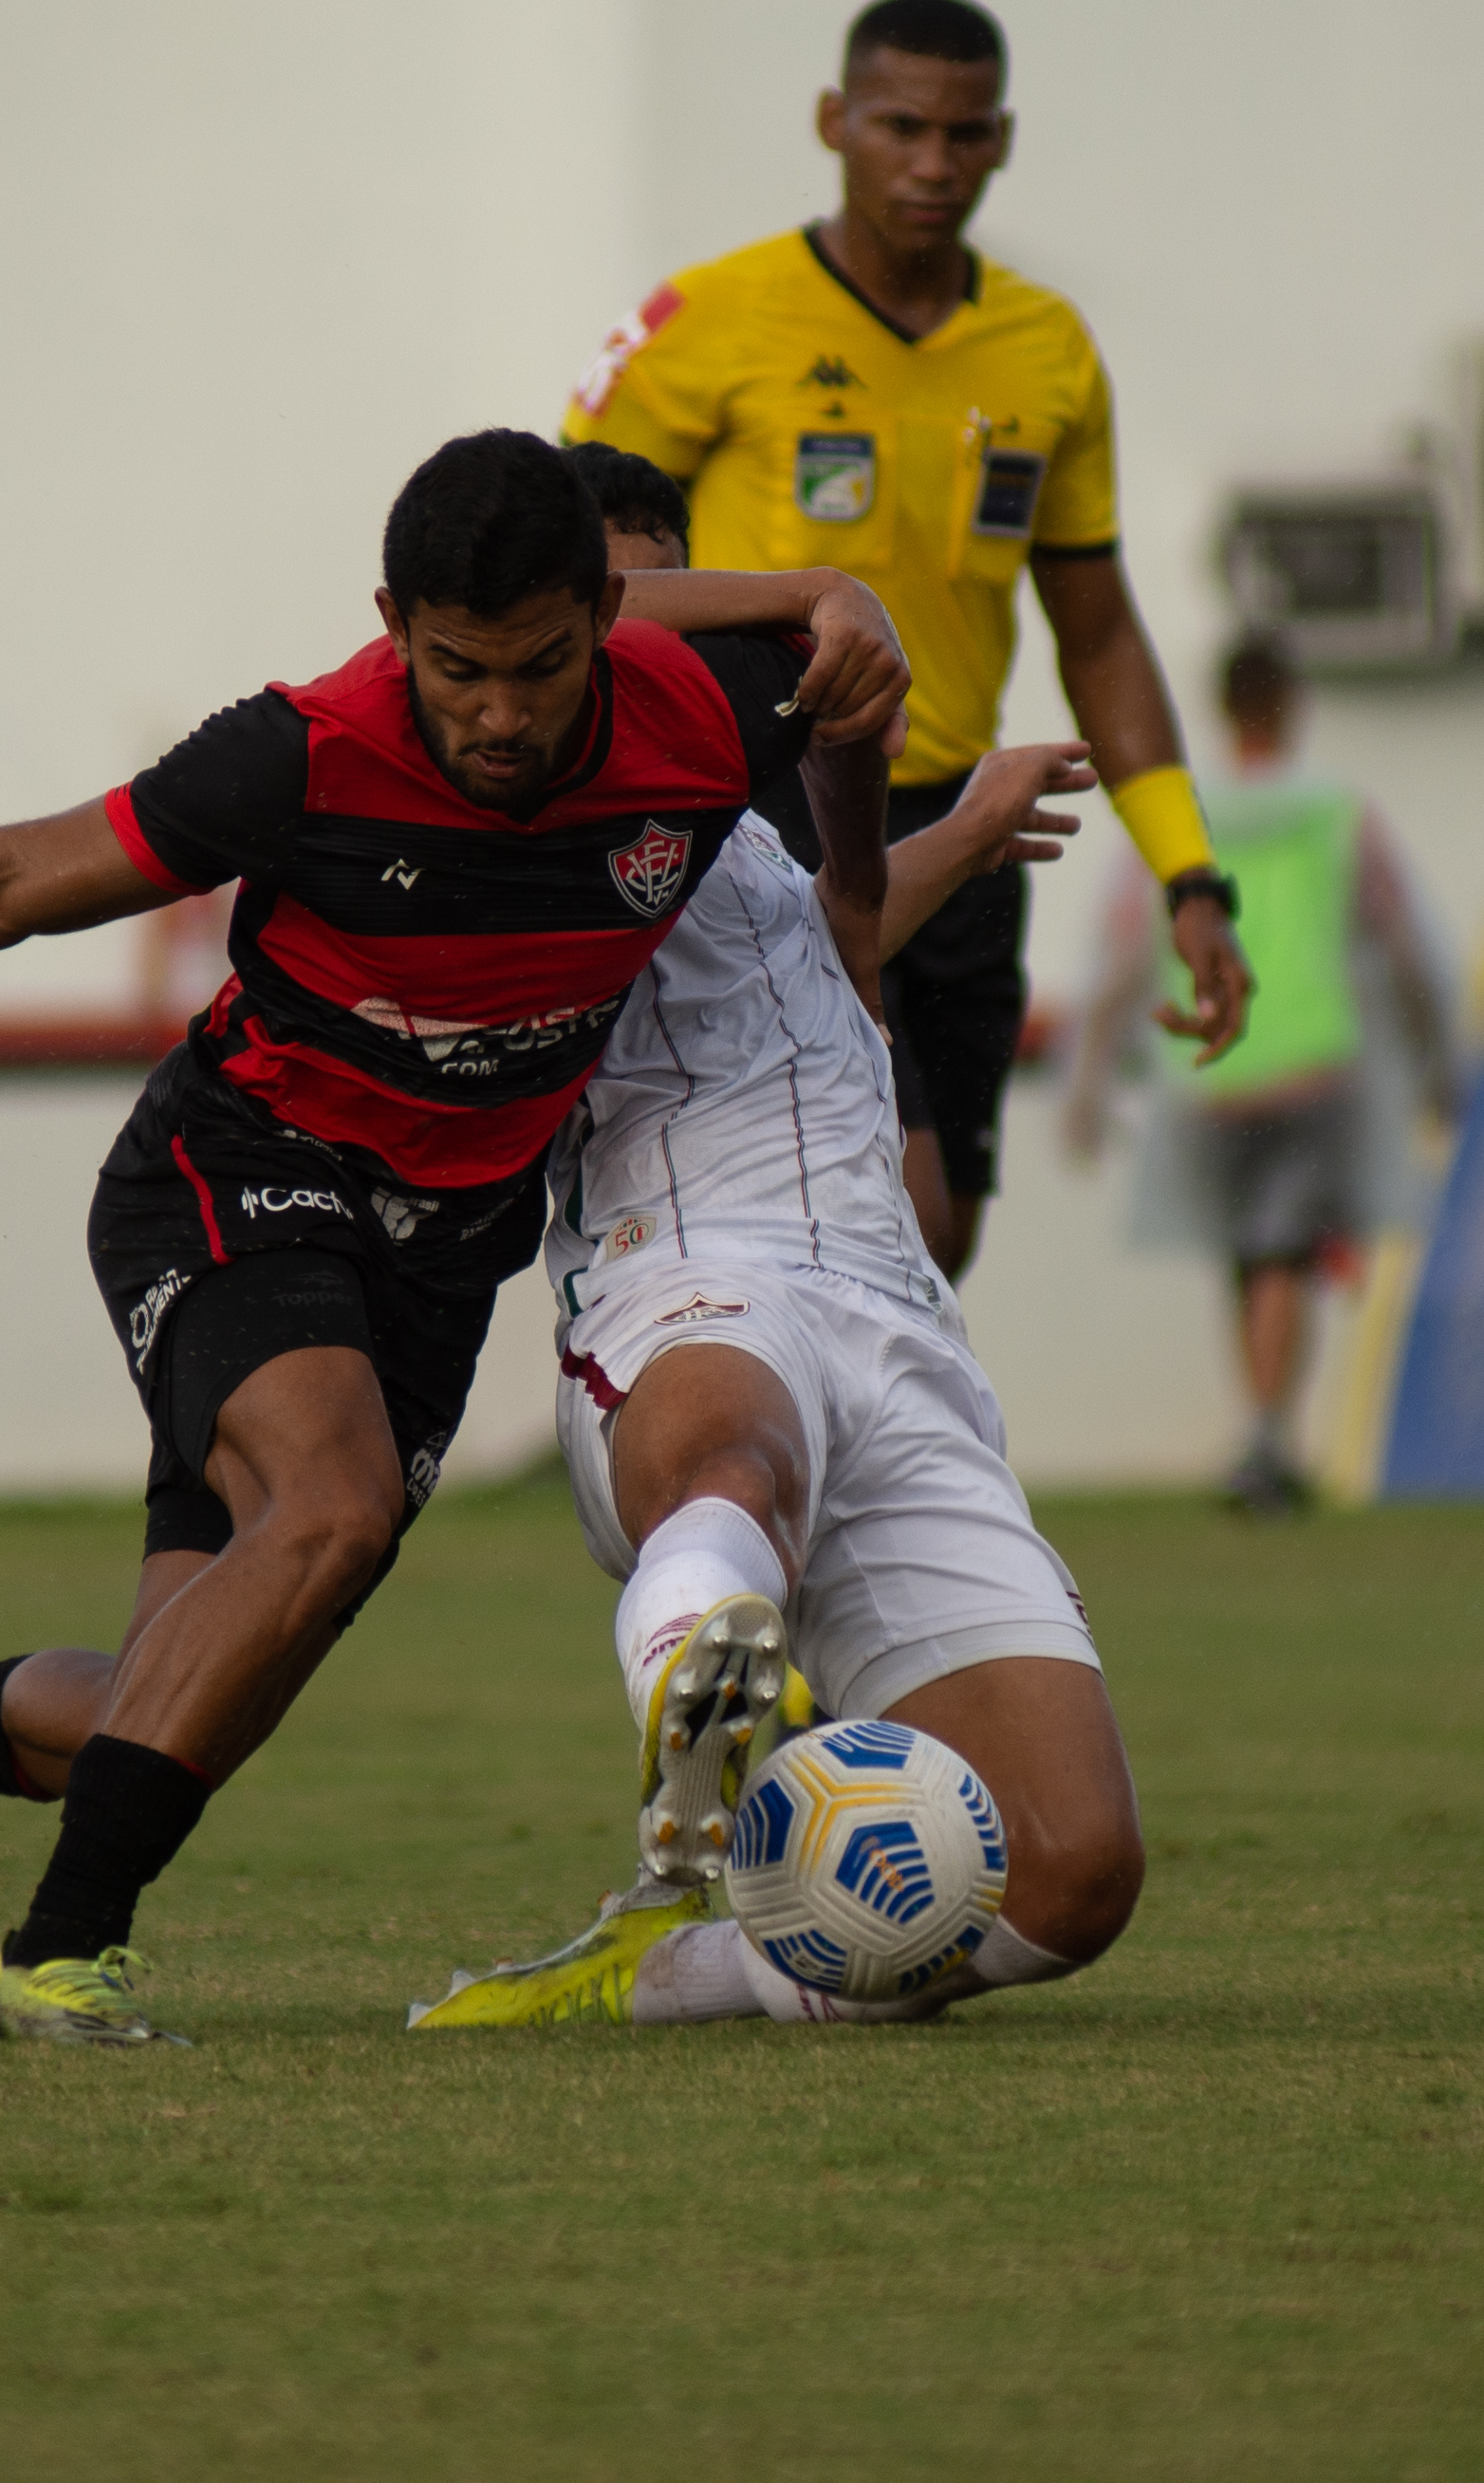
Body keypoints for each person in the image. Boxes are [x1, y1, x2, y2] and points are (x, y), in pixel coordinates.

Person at [0, 430, 907, 2047]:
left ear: (611, 617)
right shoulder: (304, 754)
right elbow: (2, 886)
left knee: (160, 1707)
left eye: (540, 668)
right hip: (241, 1167)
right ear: (390, 621)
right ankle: (50, 1965)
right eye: (456, 670)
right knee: (324, 1512)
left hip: (440, 1259)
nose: (498, 715)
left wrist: (850, 697)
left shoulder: (706, 709)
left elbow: (838, 719)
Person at [398, 438, 1143, 2028]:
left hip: (895, 1319)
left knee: (1074, 1873)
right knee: (739, 1452)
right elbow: (682, 639)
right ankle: (693, 1668)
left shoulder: (721, 819)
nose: (665, 647)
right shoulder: (493, 807)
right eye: (620, 609)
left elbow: (834, 932)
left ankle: (687, 1969)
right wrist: (809, 592)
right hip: (687, 1277)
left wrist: (955, 812)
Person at [562, 0, 1246, 1285]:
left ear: (1002, 142)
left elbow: (1097, 634)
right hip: (777, 810)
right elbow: (562, 590)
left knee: (941, 1239)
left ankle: (786, 1448)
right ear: (836, 124)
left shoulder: (1049, 352)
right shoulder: (708, 319)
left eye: (964, 133)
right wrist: (788, 603)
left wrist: (1190, 879)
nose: (933, 163)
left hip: (969, 813)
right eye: (901, 128)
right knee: (896, 1206)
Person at [1065, 636, 1460, 1513]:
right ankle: (1269, 1441)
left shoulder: (1181, 820)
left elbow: (1122, 953)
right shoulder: (1336, 813)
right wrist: (1440, 1063)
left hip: (1208, 1066)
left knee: (1254, 1255)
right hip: (1311, 1057)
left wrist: (1088, 1085)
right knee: (1282, 1252)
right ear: (1292, 706)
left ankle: (1265, 1434)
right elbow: (1405, 945)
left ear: (1222, 707)